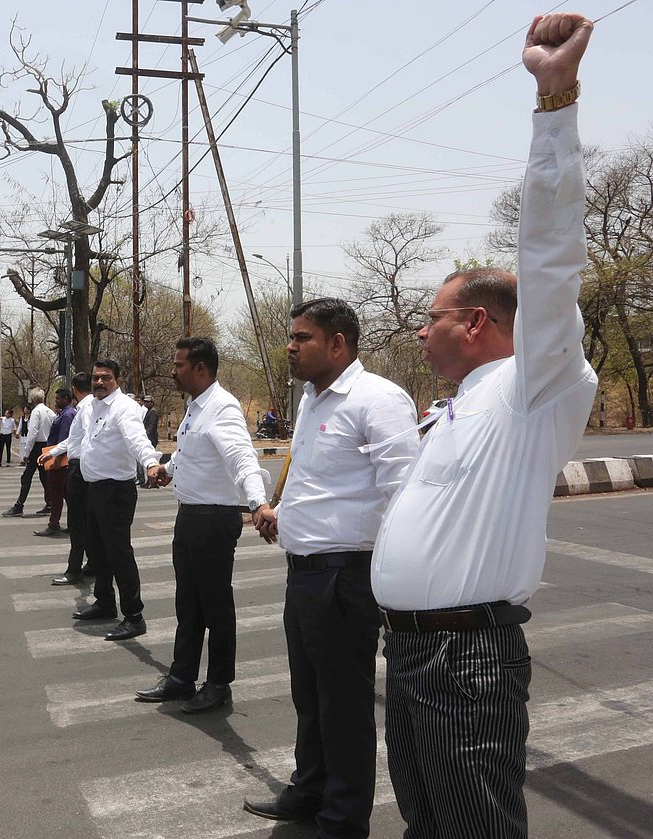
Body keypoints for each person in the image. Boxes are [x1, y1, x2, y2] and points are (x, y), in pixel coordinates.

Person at [371, 16, 597, 839]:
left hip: (468, 663)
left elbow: (549, 256)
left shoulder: (532, 385)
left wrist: (554, 99)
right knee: (427, 827)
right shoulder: (459, 406)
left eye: (428, 317)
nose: (418, 332)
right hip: (412, 655)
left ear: (475, 322)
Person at [243, 298, 418, 837]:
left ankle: (343, 819)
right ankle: (310, 788)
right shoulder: (314, 400)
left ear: (337, 343)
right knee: (310, 693)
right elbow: (313, 480)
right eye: (291, 337)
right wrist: (283, 513)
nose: (290, 347)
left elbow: (404, 493)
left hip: (347, 574)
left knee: (343, 703)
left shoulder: (378, 400)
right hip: (306, 571)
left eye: (302, 338)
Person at [136, 337, 269, 714]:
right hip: (191, 516)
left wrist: (258, 502)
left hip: (214, 520)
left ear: (199, 368)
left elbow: (243, 458)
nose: (173, 371)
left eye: (178, 365)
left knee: (215, 606)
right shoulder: (196, 407)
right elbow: (190, 449)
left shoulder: (222, 408)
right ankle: (181, 677)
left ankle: (218, 684)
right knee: (188, 604)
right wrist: (168, 468)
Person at [65, 360, 161, 641]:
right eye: (95, 378)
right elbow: (80, 441)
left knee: (118, 553)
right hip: (93, 488)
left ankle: (134, 616)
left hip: (116, 491)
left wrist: (150, 463)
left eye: (105, 378)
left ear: (117, 380)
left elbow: (137, 440)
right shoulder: (91, 407)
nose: (99, 382)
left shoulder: (125, 409)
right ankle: (104, 602)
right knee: (97, 551)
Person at [41, 372, 95, 584]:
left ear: (74, 389)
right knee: (84, 521)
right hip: (80, 465)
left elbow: (88, 439)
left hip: (80, 468)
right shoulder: (83, 409)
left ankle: (74, 570)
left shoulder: (87, 408)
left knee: (78, 522)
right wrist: (52, 453)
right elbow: (73, 440)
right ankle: (92, 563)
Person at [2, 389, 56, 517]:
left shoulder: (36, 412)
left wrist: (27, 453)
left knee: (26, 477)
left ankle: (19, 505)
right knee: (45, 477)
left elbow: (32, 434)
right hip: (47, 446)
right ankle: (49, 503)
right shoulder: (50, 412)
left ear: (33, 399)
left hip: (36, 447)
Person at [33, 388, 73, 537]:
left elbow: (63, 439)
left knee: (56, 492)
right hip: (57, 455)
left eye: (58, 399)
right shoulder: (64, 413)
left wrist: (56, 459)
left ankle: (54, 524)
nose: (56, 401)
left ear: (66, 398)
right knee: (64, 493)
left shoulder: (68, 415)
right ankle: (72, 523)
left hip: (59, 459)